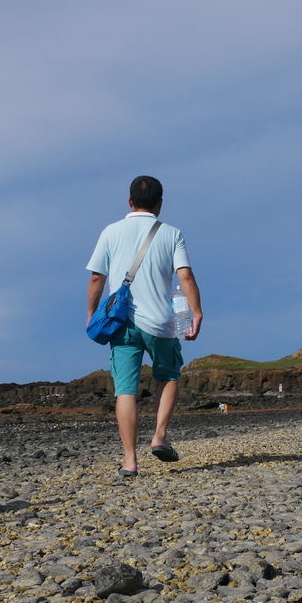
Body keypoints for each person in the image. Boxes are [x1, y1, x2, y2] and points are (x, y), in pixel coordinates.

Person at [86, 176, 203, 477]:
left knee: (125, 389)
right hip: (162, 323)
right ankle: (159, 436)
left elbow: (97, 278)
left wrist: (91, 312)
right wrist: (196, 312)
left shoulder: (110, 232)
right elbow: (185, 276)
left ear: (129, 201)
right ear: (160, 203)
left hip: (121, 322)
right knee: (169, 375)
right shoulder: (172, 233)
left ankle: (129, 461)